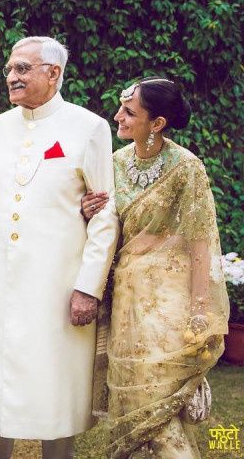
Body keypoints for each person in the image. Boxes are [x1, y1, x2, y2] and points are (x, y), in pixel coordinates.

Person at [0, 36, 120, 458]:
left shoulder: (88, 128)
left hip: (58, 286)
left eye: (22, 69)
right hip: (0, 285)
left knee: (56, 389)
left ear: (53, 73)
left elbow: (104, 214)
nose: (12, 77)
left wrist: (88, 286)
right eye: (9, 70)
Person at [81, 77, 229, 458]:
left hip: (167, 305)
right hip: (126, 302)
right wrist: (86, 213)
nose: (118, 117)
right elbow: (103, 230)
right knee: (129, 405)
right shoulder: (113, 165)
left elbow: (201, 242)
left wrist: (199, 311)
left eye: (129, 112)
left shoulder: (186, 168)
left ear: (158, 123)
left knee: (160, 408)